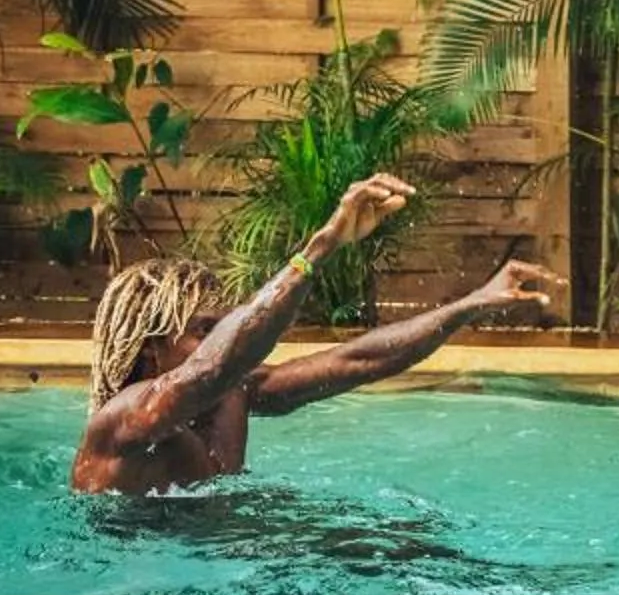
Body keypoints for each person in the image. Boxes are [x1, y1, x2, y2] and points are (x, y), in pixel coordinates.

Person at [72, 173, 562, 495]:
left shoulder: (231, 393)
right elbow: (210, 368)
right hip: (140, 581)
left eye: (222, 326)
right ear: (154, 345)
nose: (221, 339)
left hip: (232, 554)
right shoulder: (121, 425)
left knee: (399, 549)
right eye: (204, 329)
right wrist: (321, 247)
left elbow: (357, 362)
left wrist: (466, 305)